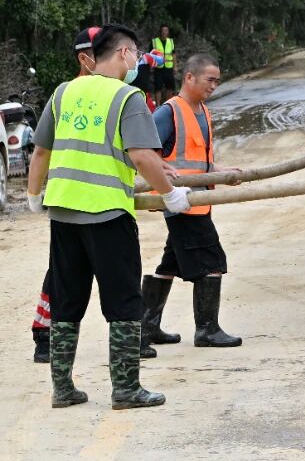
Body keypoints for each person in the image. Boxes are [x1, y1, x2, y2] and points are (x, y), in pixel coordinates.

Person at [26, 25, 192, 409]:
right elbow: (141, 155)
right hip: (107, 214)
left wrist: (35, 197)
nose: (137, 61)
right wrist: (170, 195)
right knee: (122, 302)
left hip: (64, 213)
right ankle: (126, 389)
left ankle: (63, 389)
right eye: (135, 53)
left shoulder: (64, 92)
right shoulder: (127, 96)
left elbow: (40, 152)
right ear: (121, 53)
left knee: (66, 301)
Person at [142, 54, 243, 348]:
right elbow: (145, 153)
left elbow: (200, 162)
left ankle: (147, 327)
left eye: (217, 80)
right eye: (209, 79)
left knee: (170, 263)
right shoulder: (169, 112)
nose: (214, 85)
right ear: (189, 78)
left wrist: (222, 173)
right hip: (180, 203)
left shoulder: (202, 112)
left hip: (198, 201)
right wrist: (164, 179)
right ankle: (207, 330)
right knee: (213, 261)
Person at [29, 27, 99, 364]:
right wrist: (32, 192)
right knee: (62, 271)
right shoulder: (65, 94)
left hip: (105, 198)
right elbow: (42, 150)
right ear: (84, 58)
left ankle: (135, 336)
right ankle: (45, 333)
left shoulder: (118, 93)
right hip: (70, 197)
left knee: (113, 271)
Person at [152, 24, 176, 102]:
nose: (164, 32)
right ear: (160, 32)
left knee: (170, 87)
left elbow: (174, 54)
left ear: (168, 32)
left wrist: (175, 66)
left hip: (169, 67)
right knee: (158, 88)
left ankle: (167, 104)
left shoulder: (171, 41)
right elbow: (150, 54)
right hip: (158, 67)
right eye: (162, 30)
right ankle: (158, 106)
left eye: (166, 30)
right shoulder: (155, 41)